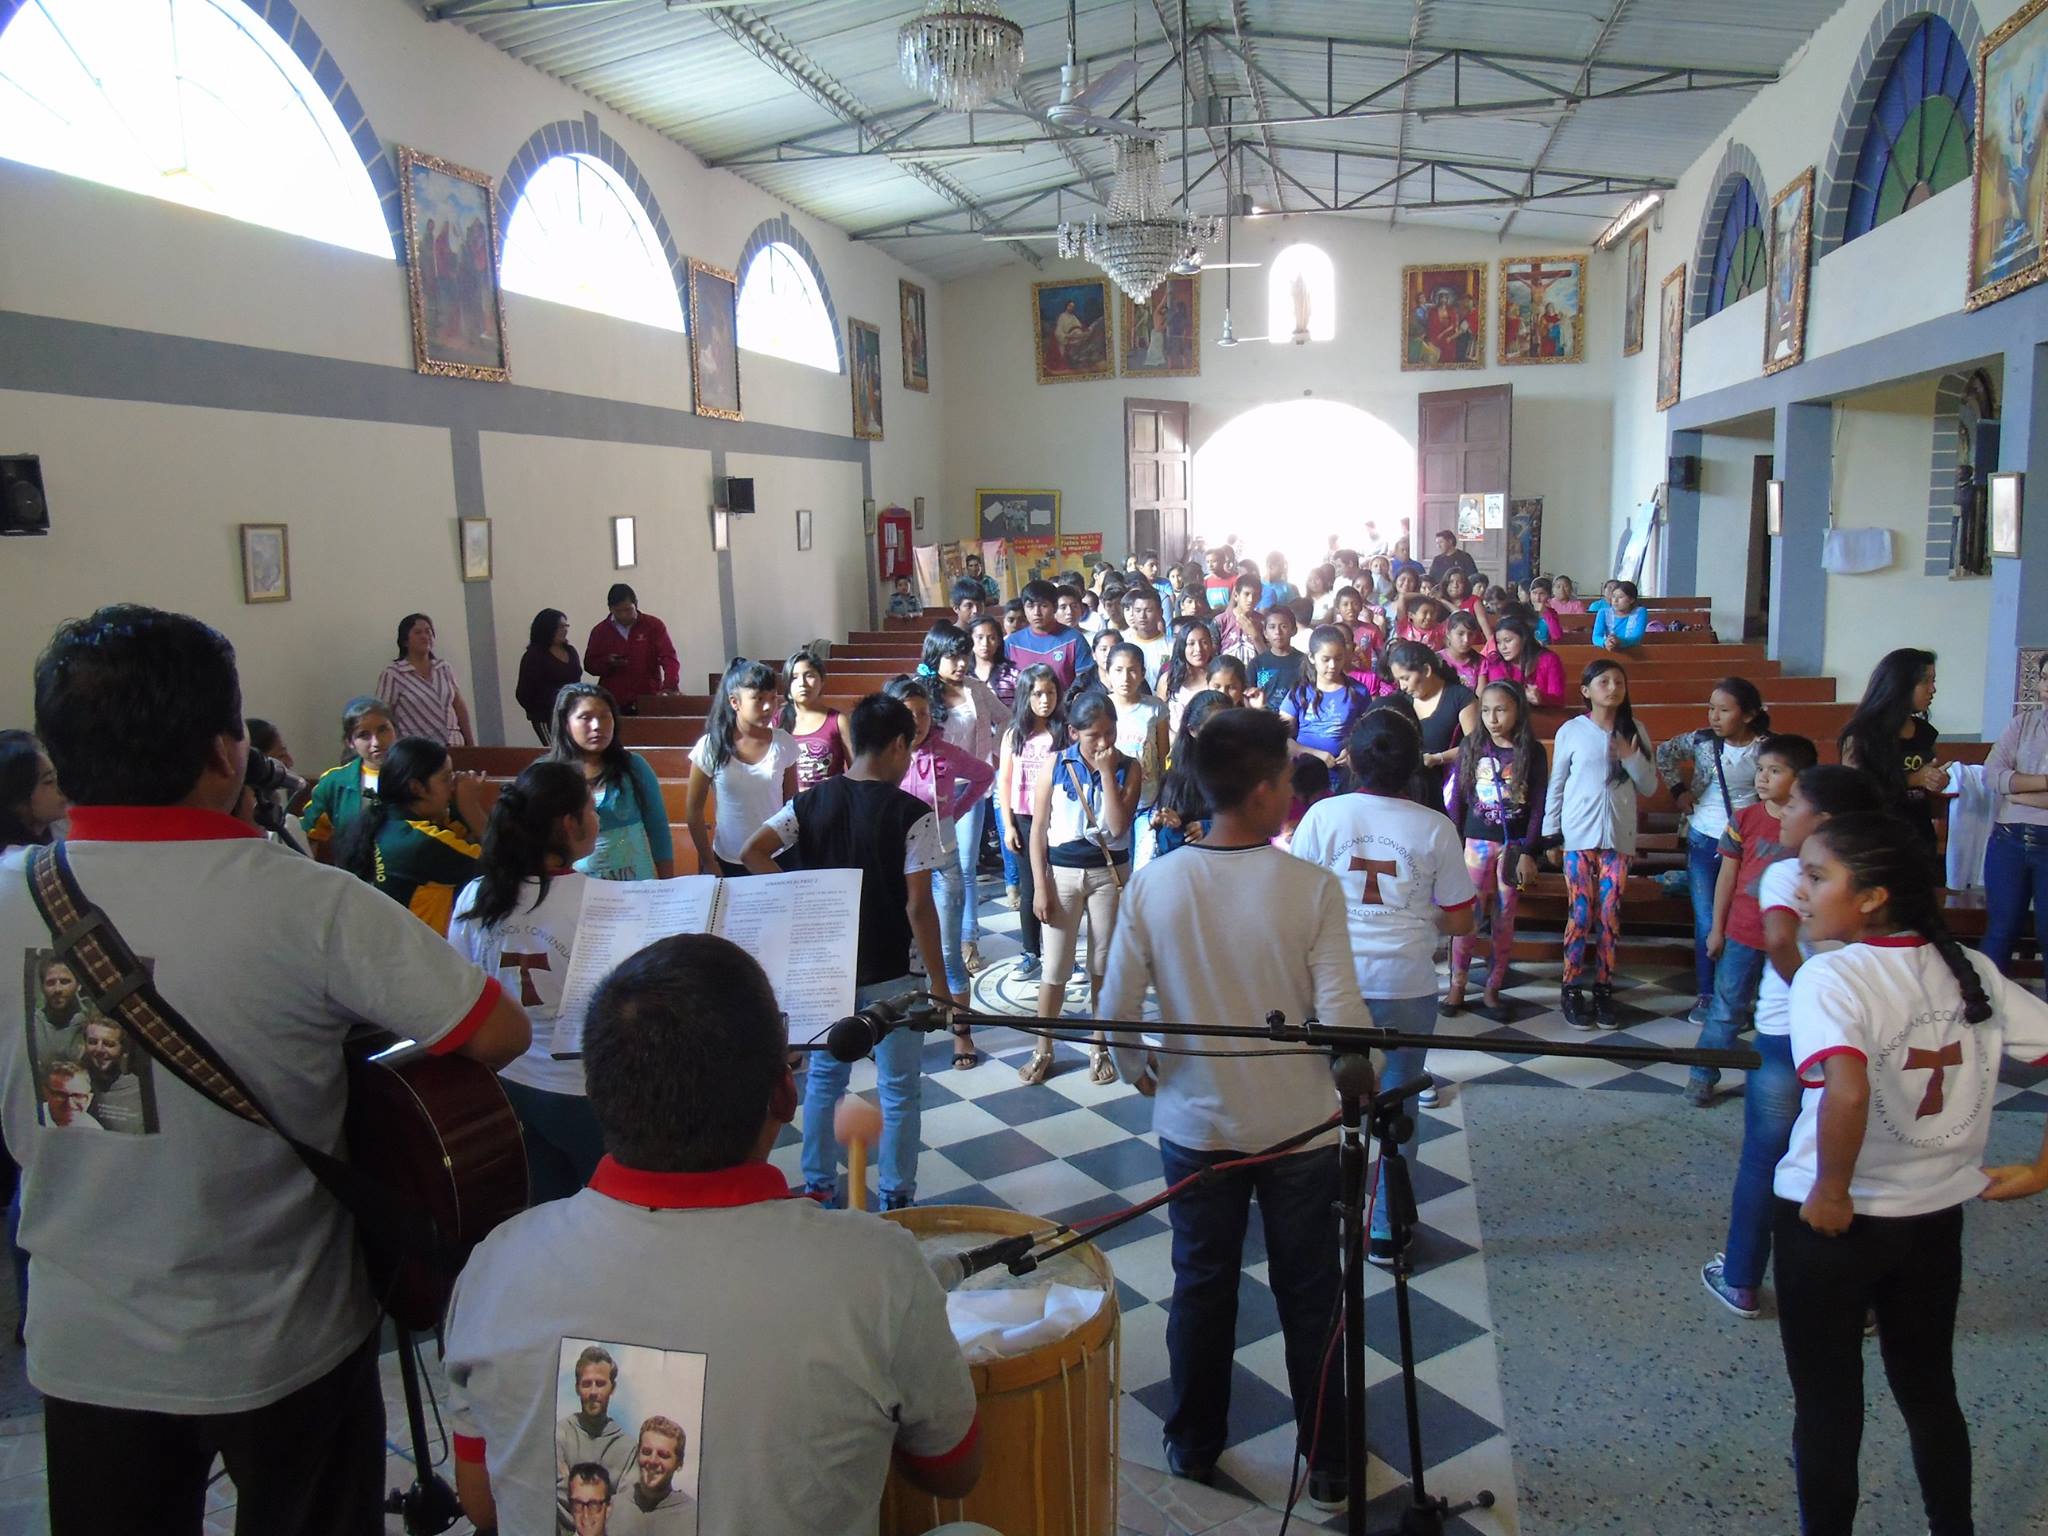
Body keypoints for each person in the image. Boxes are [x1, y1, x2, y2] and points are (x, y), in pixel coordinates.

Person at [1, 604, 527, 1536]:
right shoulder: (307, 903)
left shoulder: (12, 893)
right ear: (224, 752)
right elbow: (496, 1033)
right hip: (281, 1336)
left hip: (88, 1340)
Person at [444, 934, 979, 1534]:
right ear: (783, 1093)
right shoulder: (876, 1269)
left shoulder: (497, 1263)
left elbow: (483, 1503)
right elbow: (951, 1471)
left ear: (597, 1094)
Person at [1101, 708, 1364, 1505]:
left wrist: (1138, 1068)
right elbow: (1345, 1018)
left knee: (1203, 1284)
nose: (1292, 787)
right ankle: (1326, 1460)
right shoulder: (1310, 888)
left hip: (1196, 1126)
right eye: (1286, 776)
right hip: (1300, 1129)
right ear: (1258, 793)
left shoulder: (1157, 881)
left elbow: (1115, 1008)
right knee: (1310, 1290)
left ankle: (1192, 1443)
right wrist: (1362, 1075)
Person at [1770, 813, 2048, 1536]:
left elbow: (1848, 1089)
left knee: (1829, 1405)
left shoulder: (1833, 974)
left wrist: (1831, 1191)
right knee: (1929, 1389)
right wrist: (2044, 1169)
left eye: (1817, 875)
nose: (1801, 889)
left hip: (1835, 1224)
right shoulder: (1971, 968)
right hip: (1933, 1217)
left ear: (1871, 896)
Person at [742, 695, 961, 1203]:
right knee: (900, 1088)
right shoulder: (912, 813)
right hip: (894, 974)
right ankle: (896, 1195)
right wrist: (942, 984)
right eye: (909, 751)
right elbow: (918, 908)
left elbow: (751, 850)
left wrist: (802, 900)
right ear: (899, 744)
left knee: (824, 1079)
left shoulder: (810, 802)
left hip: (827, 969)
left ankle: (819, 1187)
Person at [1698, 765, 1886, 1321]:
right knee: (1849, 1160)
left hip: (1788, 1033)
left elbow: (1779, 938)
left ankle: (1741, 1281)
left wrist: (1809, 996)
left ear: (1823, 821)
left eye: (1796, 802)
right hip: (1860, 1035)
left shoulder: (1789, 873)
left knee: (1766, 1155)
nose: (1785, 811)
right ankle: (1863, 1300)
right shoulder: (1873, 878)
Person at [1290, 711, 1476, 1265]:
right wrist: (1418, 924)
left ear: (1353, 759)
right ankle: (1386, 1229)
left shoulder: (1323, 815)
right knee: (1397, 1103)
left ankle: (1320, 1211)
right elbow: (1463, 920)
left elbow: (1297, 904)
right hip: (1406, 983)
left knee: (1326, 1101)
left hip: (1334, 982)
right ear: (1415, 762)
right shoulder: (1434, 827)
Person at [449, 762, 605, 1204]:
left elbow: (461, 993)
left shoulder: (478, 894)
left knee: (542, 1208)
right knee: (607, 1211)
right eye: (591, 809)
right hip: (581, 1090)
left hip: (508, 1085)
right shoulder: (596, 899)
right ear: (569, 823)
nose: (598, 819)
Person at [1688, 733, 1819, 1106]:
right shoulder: (1744, 818)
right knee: (1726, 1007)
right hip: (1743, 932)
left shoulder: (1812, 827)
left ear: (1801, 779)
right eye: (1760, 769)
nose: (1762, 778)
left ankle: (1795, 1078)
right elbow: (1727, 877)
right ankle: (1703, 1073)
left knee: (1790, 1012)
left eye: (1774, 771)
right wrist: (1716, 929)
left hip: (1795, 938)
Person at [1023, 691, 1140, 1086]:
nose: (1104, 743)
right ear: (1073, 732)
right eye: (1093, 736)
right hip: (1063, 874)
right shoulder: (1055, 764)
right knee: (1055, 965)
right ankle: (1043, 1047)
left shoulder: (1129, 767)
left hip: (1110, 875)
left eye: (1109, 733)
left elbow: (1119, 826)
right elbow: (1039, 828)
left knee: (1102, 965)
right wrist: (1041, 886)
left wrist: (1107, 772)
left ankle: (1100, 1044)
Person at [1539, 658, 1657, 1028]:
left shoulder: (1634, 729)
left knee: (1609, 915)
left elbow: (1650, 786)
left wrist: (1630, 757)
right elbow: (1557, 785)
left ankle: (1604, 987)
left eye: (1618, 681)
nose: (1612, 686)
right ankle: (1571, 986)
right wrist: (1550, 834)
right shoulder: (1572, 730)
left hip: (1618, 840)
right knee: (1581, 913)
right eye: (1603, 681)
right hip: (1577, 838)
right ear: (1587, 691)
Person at [1658, 678, 1771, 1026]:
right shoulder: (1703, 742)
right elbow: (1666, 753)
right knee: (1709, 919)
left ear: (1749, 714)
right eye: (1711, 708)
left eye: (1724, 709)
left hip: (1749, 843)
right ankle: (1707, 994)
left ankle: (1739, 994)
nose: (1714, 716)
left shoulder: (1767, 750)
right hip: (1705, 836)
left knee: (1747, 918)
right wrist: (1679, 790)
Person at [1445, 682, 1550, 1011]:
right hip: (1476, 843)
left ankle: (1494, 985)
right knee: (1468, 918)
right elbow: (1459, 797)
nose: (1492, 717)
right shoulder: (1471, 746)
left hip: (1513, 847)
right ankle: (1457, 985)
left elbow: (1538, 805)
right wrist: (1454, 841)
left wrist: (1530, 850)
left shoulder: (1531, 752)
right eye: (1486, 710)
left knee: (1505, 919)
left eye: (1501, 709)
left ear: (1518, 710)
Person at [334, 735, 487, 934]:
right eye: (446, 778)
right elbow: (507, 864)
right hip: (420, 956)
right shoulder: (421, 842)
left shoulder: (386, 822)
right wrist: (471, 805)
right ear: (417, 787)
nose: (453, 786)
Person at [924, 625, 1004, 973]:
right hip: (930, 791)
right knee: (931, 867)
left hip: (970, 786)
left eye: (963, 656)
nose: (960, 663)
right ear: (935, 657)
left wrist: (996, 755)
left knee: (966, 866)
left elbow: (1006, 718)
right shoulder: (922, 692)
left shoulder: (975, 687)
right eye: (952, 657)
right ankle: (937, 941)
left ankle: (968, 940)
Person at [549, 684, 675, 882]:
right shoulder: (547, 774)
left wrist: (667, 885)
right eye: (585, 717)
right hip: (575, 888)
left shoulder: (634, 767)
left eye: (604, 716)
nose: (597, 726)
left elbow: (658, 829)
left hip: (636, 884)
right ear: (566, 723)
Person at [686, 659, 797, 879]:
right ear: (735, 702)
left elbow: (791, 802)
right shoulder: (711, 747)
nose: (767, 707)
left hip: (775, 855)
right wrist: (708, 860)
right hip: (729, 858)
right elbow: (694, 811)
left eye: (772, 698)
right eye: (758, 699)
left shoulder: (783, 742)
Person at [1981, 656, 2048, 988]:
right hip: (2008, 839)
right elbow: (1991, 775)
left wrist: (2016, 791)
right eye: (2045, 678)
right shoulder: (2022, 724)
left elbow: (2005, 784)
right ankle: (1983, 1013)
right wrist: (2044, 782)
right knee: (2002, 928)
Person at [1838, 647, 1945, 854]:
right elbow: (1856, 789)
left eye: (1934, 681)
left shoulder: (1925, 732)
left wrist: (1937, 781)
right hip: (1874, 836)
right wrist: (1915, 779)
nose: (1932, 689)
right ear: (1900, 684)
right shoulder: (1861, 735)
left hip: (1918, 832)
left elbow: (1927, 784)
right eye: (1926, 681)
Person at [998, 666, 1063, 983]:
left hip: (1058, 818)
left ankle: (1059, 951)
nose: (1044, 699)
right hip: (1024, 819)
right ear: (1026, 696)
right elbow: (1005, 782)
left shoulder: (1063, 733)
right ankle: (1030, 952)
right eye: (1037, 693)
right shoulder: (1015, 735)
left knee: (1056, 885)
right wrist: (1008, 825)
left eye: (1050, 692)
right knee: (1029, 888)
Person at [300, 696, 395, 859]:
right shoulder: (335, 783)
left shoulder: (418, 773)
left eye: (382, 729)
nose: (376, 742)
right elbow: (307, 834)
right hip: (355, 878)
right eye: (364, 735)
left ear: (395, 729)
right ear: (350, 742)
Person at [1279, 625, 1374, 787]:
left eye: (1338, 658)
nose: (1332, 665)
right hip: (1304, 775)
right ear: (1312, 657)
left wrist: (1352, 750)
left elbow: (1370, 732)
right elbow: (1281, 739)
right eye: (1326, 659)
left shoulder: (1358, 691)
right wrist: (1314, 754)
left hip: (1343, 777)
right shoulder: (1300, 692)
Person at [1104, 641, 1168, 873]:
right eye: (1118, 670)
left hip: (1147, 802)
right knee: (1117, 869)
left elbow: (1162, 756)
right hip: (1111, 803)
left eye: (1132, 670)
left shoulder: (1155, 708)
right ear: (1108, 672)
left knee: (1143, 866)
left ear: (1142, 673)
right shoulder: (1102, 707)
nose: (1126, 677)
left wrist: (1162, 796)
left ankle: (1140, 909)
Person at [1387, 639, 1479, 797]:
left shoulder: (1461, 697)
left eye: (1405, 678)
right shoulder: (1401, 700)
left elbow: (1476, 745)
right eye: (1399, 680)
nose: (1402, 686)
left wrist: (1438, 758)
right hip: (1408, 788)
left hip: (1450, 786)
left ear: (1427, 670)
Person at [377, 612, 475, 746]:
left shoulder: (444, 668)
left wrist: (471, 744)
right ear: (405, 641)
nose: (425, 636)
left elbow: (458, 706)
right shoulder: (393, 673)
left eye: (428, 632)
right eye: (418, 633)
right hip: (418, 749)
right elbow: (383, 715)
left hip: (454, 745)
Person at [584, 584, 680, 715]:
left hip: (648, 697)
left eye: (628, 610)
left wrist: (669, 685)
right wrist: (608, 662)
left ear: (636, 605)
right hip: (614, 700)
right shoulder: (600, 631)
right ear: (610, 609)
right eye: (618, 611)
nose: (624, 615)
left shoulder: (653, 625)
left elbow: (669, 657)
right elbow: (589, 665)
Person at [782, 650, 846, 791]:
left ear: (822, 680)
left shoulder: (838, 721)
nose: (802, 683)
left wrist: (836, 784)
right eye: (794, 677)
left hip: (829, 803)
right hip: (788, 807)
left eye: (809, 675)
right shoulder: (777, 722)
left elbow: (857, 771)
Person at [518, 609, 585, 745]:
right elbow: (524, 693)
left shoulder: (570, 651)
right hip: (547, 716)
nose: (565, 630)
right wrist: (542, 709)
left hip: (572, 714)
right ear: (548, 629)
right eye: (560, 627)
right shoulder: (534, 656)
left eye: (566, 626)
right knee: (557, 754)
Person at [1005, 578, 1086, 689]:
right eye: (1030, 606)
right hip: (1022, 706)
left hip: (1066, 705)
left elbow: (1085, 683)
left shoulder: (1074, 640)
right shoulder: (1011, 644)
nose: (1036, 612)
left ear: (1055, 607)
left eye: (1043, 606)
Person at [78, 1017, 151, 1135]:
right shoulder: (75, 1082)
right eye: (92, 1042)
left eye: (108, 1044)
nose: (99, 1049)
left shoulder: (140, 1089)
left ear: (123, 1049)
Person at [1478, 613, 1566, 707]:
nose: (1502, 647)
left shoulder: (1548, 660)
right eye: (1499, 642)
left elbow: (1559, 699)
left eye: (1508, 641)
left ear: (1524, 638)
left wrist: (1542, 698)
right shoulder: (1496, 663)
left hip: (1545, 716)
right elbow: (1499, 696)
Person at [0, 729, 64, 849]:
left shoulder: (56, 831)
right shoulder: (12, 861)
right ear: (16, 801)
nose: (60, 787)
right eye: (49, 781)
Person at [1160, 617, 1219, 738]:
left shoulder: (1218, 677)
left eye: (1204, 642)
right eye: (1191, 644)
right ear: (1182, 647)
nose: (1198, 649)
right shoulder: (1168, 680)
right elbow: (1161, 721)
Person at [1251, 607, 1304, 706]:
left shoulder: (1304, 662)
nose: (1278, 632)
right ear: (1265, 633)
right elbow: (1249, 694)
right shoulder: (1257, 663)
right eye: (1272, 627)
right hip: (1263, 717)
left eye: (1283, 626)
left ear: (1294, 630)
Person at [1215, 575, 1264, 663]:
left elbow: (1269, 659)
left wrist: (1255, 635)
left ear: (1260, 598)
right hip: (1226, 674)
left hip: (1255, 674)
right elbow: (1212, 657)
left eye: (1255, 595)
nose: (1251, 599)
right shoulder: (1220, 621)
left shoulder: (1264, 622)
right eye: (1246, 594)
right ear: (1236, 596)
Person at [1589, 580, 1649, 650]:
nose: (1615, 600)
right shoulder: (1603, 612)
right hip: (1607, 650)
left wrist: (1620, 641)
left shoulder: (1640, 612)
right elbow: (1596, 637)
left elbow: (1637, 637)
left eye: (1620, 597)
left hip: (1633, 652)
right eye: (1613, 596)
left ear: (1631, 600)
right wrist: (1605, 642)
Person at [1439, 610, 1485, 691]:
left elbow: (1480, 695)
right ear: (1448, 633)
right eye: (1460, 634)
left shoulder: (1480, 661)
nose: (1466, 640)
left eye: (1471, 634)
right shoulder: (1437, 660)